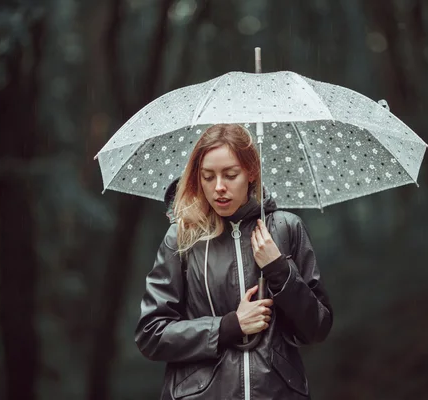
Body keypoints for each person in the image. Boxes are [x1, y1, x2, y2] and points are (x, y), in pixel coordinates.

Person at [134, 123, 333, 399]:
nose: (218, 188)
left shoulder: (287, 229)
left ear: (250, 172)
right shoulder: (182, 237)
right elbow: (151, 334)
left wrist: (279, 269)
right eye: (207, 177)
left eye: (230, 175)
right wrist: (229, 326)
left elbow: (317, 328)